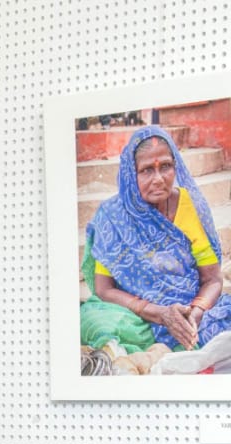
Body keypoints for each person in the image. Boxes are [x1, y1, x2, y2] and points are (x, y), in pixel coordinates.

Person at [88, 124, 231, 351]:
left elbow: (213, 279)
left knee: (218, 328)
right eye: (146, 170)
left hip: (188, 306)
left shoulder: (190, 205)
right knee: (100, 325)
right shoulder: (112, 217)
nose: (158, 179)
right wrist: (159, 313)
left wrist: (194, 314)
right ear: (130, 173)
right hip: (137, 314)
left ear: (176, 166)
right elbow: (104, 289)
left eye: (165, 166)